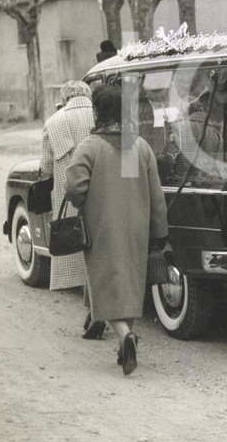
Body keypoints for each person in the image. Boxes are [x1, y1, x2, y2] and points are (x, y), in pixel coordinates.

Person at [65, 85, 169, 375]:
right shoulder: (141, 146)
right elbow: (157, 196)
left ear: (98, 112)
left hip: (102, 227)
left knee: (104, 286)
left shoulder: (90, 146)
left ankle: (126, 337)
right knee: (129, 286)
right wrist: (159, 233)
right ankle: (125, 345)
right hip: (137, 229)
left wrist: (83, 201)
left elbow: (74, 187)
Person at [40, 81, 97, 331]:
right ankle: (97, 310)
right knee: (99, 252)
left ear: (64, 98)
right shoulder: (99, 115)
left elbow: (45, 168)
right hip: (100, 193)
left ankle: (94, 310)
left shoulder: (53, 122)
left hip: (69, 198)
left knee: (80, 251)